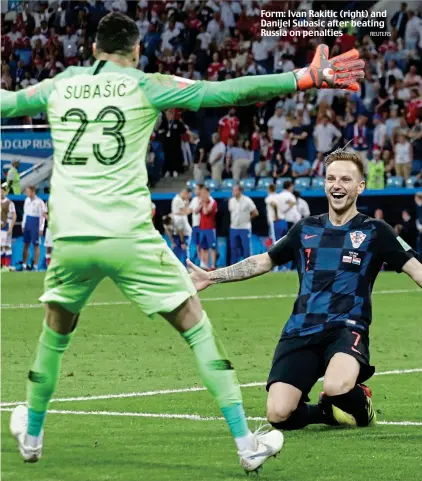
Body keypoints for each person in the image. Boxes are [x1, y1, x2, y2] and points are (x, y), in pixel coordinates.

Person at [1, 23, 364, 470]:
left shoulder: (60, 85)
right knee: (195, 326)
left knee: (54, 335)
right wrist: (303, 77)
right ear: (135, 51)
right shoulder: (149, 84)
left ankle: (33, 436)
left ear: (92, 48)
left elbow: (7, 102)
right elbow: (227, 92)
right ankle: (246, 445)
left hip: (71, 236)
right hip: (129, 235)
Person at [189, 150, 422, 437]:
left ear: (360, 186)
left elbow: (417, 270)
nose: (337, 185)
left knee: (336, 386)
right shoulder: (306, 228)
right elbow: (263, 261)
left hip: (346, 328)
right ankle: (325, 412)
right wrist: (212, 276)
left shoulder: (376, 231)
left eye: (346, 179)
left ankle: (361, 403)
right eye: (331, 178)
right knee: (278, 414)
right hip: (301, 329)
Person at [228, 185, 258, 264]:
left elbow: (255, 212)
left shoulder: (247, 200)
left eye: (235, 190)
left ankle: (248, 266)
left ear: (240, 191)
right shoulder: (231, 200)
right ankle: (234, 266)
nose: (233, 192)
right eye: (233, 190)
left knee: (246, 248)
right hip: (233, 228)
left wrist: (248, 219)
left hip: (244, 228)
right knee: (234, 248)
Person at [21, 186, 46, 271]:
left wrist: (41, 228)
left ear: (33, 192)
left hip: (35, 223)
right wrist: (23, 224)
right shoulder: (26, 200)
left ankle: (35, 266)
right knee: (25, 244)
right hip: (28, 222)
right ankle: (24, 264)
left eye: (28, 191)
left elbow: (42, 216)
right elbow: (25, 213)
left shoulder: (40, 202)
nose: (26, 193)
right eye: (26, 191)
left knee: (36, 245)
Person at [171, 188, 192, 267]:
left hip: (183, 231)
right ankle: (183, 268)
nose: (188, 198)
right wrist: (188, 207)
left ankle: (184, 268)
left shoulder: (180, 200)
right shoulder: (178, 200)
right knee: (182, 250)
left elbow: (186, 211)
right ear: (185, 193)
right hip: (182, 231)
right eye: (188, 196)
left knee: (183, 251)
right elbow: (187, 211)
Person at [199, 186, 218, 271]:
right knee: (204, 247)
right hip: (202, 228)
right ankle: (205, 265)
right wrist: (201, 203)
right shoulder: (202, 201)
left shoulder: (212, 202)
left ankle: (213, 265)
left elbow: (206, 212)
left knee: (213, 247)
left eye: (203, 193)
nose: (202, 194)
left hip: (210, 228)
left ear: (207, 193)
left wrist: (204, 204)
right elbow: (195, 211)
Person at [1, 185, 17, 270]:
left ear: (5, 192)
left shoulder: (10, 203)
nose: (0, 193)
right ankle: (2, 265)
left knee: (7, 246)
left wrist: (11, 227)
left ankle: (6, 266)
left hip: (6, 226)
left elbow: (14, 216)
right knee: (0, 246)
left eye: (2, 191)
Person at [188, 184, 204, 265]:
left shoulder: (206, 199)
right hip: (195, 225)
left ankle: (204, 263)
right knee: (197, 245)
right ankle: (201, 263)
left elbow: (196, 211)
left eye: (196, 189)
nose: (195, 190)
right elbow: (190, 210)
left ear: (201, 190)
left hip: (203, 226)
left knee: (203, 246)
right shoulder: (194, 199)